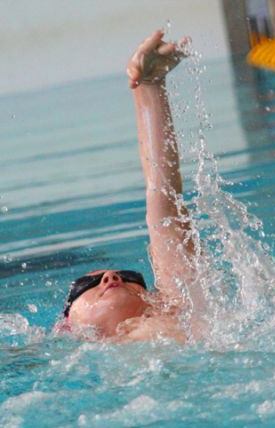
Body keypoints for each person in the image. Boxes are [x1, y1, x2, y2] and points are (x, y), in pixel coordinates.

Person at [60, 30, 197, 343]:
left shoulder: (177, 310)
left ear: (154, 299)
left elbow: (164, 203)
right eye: (85, 286)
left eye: (130, 277)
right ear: (67, 326)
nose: (111, 277)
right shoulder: (68, 358)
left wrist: (150, 86)